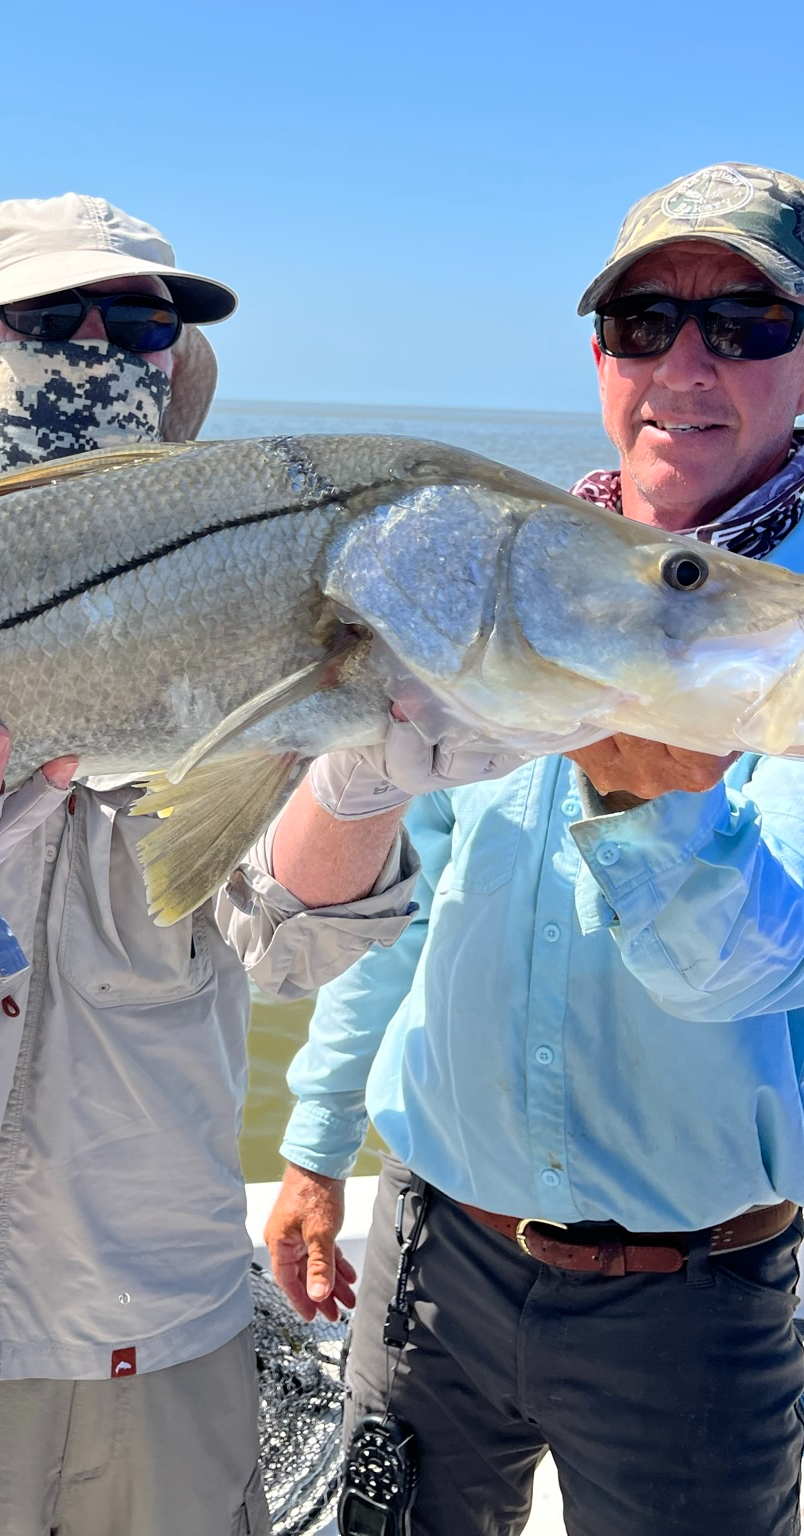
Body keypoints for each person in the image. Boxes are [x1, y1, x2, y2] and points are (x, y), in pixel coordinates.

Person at [0, 194, 509, 1536]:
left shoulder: (245, 621)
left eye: (142, 323)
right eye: (48, 316)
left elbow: (289, 942)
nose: (96, 346)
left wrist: (360, 779)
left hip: (166, 1338)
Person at [267, 162, 804, 1536]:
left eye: (748, 322)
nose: (686, 363)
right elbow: (412, 896)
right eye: (643, 322)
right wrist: (318, 1145)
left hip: (693, 1305)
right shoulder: (493, 578)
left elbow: (758, 968)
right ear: (600, 355)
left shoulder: (789, 636)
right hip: (432, 1254)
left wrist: (651, 805)